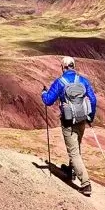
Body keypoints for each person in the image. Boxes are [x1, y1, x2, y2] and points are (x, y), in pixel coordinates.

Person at [42, 56, 97, 196]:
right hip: (82, 120)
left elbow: (48, 101)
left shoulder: (60, 82)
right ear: (73, 66)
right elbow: (93, 99)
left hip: (68, 121)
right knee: (76, 147)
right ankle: (70, 171)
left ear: (63, 67)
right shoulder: (83, 81)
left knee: (73, 152)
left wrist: (43, 93)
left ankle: (85, 184)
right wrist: (90, 116)